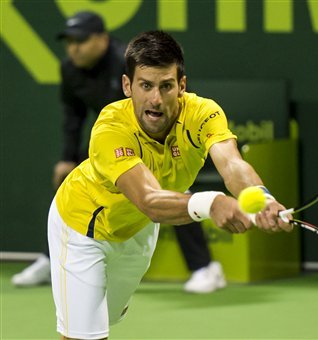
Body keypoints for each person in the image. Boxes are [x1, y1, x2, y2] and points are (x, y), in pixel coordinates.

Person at [47, 30, 292, 339]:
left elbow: (232, 164)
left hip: (137, 234)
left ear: (182, 86)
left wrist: (262, 198)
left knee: (106, 316)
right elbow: (149, 200)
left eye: (166, 86)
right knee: (84, 334)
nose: (156, 99)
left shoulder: (203, 113)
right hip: (82, 226)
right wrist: (212, 203)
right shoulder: (111, 128)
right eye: (145, 86)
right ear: (127, 86)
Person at [12, 11, 224, 294]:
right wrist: (66, 158)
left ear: (102, 39)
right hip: (113, 140)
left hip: (157, 135)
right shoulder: (70, 69)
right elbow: (73, 116)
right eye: (70, 41)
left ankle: (205, 267)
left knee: (172, 192)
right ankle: (53, 258)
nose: (74, 47)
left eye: (81, 40)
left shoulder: (127, 64)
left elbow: (164, 103)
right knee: (75, 185)